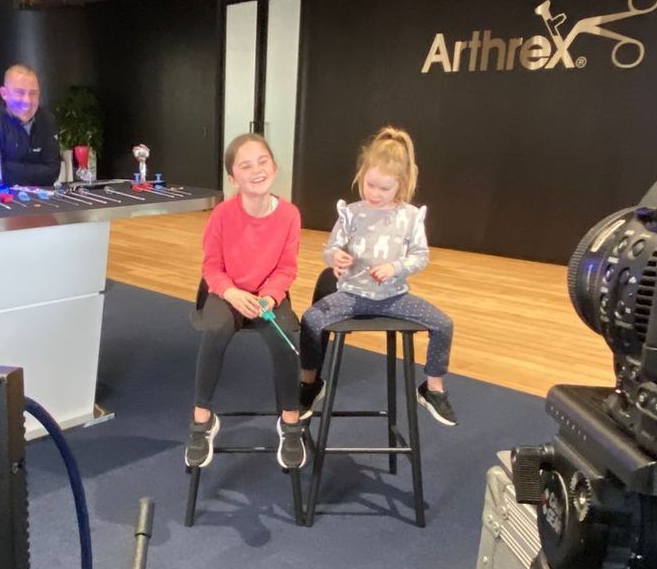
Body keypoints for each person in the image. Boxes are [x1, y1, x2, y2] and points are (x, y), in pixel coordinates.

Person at [298, 127, 460, 426]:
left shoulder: (410, 217)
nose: (374, 193)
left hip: (394, 298)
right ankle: (309, 383)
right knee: (311, 319)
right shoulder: (351, 213)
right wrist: (335, 257)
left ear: (402, 184)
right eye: (370, 185)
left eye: (383, 189)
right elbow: (330, 247)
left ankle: (433, 388)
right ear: (361, 175)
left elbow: (420, 256)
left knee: (443, 324)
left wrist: (395, 267)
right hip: (350, 295)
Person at [187, 132, 307, 472]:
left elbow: (287, 267)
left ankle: (290, 419)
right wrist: (232, 293)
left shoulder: (289, 215)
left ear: (275, 166)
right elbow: (211, 266)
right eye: (245, 165)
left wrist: (269, 296)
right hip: (227, 293)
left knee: (285, 337)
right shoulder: (222, 215)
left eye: (262, 161)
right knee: (215, 330)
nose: (256, 170)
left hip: (267, 295)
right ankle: (202, 419)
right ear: (232, 177)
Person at [0, 63, 61, 186]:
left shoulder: (47, 120)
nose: (27, 101)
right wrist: (37, 169)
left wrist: (8, 166)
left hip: (42, 200)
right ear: (4, 93)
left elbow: (52, 172)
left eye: (33, 93)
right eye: (20, 93)